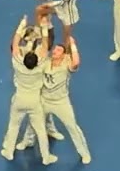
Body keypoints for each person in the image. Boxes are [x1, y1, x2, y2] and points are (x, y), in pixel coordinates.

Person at [17, 35, 91, 164]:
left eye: (58, 50)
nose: (55, 51)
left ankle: (84, 152)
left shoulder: (66, 65)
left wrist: (73, 45)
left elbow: (76, 62)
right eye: (55, 49)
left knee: (72, 126)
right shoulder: (46, 62)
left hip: (60, 102)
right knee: (33, 122)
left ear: (64, 55)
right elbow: (38, 54)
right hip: (44, 99)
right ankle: (28, 141)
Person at [0, 16, 54, 165]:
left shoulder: (18, 64)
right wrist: (43, 28)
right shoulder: (41, 64)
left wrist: (21, 25)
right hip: (34, 101)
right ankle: (46, 156)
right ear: (37, 61)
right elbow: (44, 46)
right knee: (41, 131)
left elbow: (15, 44)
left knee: (13, 125)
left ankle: (8, 152)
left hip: (19, 99)